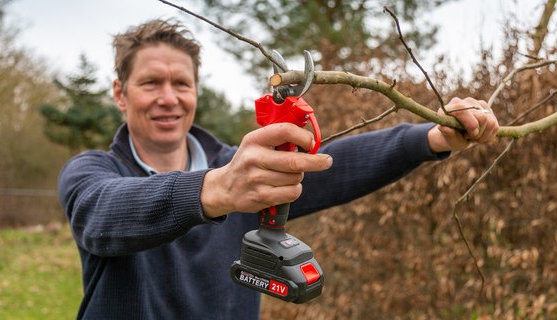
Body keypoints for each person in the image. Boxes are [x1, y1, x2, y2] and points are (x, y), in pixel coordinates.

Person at [58, 19, 499, 319]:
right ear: (121, 93)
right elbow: (101, 215)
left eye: (181, 83)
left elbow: (337, 166)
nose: (169, 98)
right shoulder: (93, 172)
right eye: (151, 83)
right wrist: (216, 190)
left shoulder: (243, 170)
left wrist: (431, 138)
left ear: (195, 91)